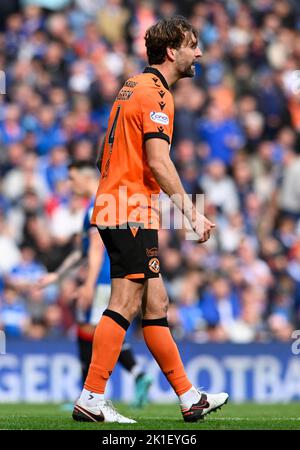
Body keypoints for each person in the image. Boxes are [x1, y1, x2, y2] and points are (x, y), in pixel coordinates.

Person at [73, 16, 228, 424]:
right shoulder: (157, 95)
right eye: (193, 44)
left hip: (117, 204)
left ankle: (189, 396)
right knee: (124, 302)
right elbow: (159, 161)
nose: (200, 52)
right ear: (172, 51)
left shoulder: (132, 86)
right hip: (128, 209)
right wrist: (192, 213)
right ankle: (91, 396)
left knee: (156, 301)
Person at [37, 160, 152, 408]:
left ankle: (92, 393)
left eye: (72, 178)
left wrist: (88, 284)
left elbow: (97, 249)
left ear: (86, 178)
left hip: (101, 279)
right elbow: (83, 250)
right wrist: (57, 275)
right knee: (91, 330)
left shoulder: (96, 206)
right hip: (104, 278)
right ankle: (132, 377)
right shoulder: (94, 206)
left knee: (93, 331)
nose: (70, 184)